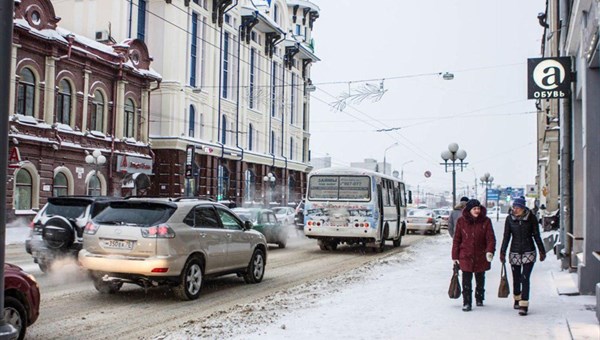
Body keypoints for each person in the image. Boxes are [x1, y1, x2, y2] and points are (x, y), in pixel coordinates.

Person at [500, 197, 546, 316]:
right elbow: (506, 237)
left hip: (528, 251)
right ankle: (517, 298)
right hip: (514, 252)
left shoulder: (531, 218)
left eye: (518, 208)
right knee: (516, 278)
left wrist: (542, 250)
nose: (515, 209)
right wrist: (502, 251)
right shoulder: (509, 219)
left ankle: (524, 304)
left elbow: (536, 235)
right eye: (514, 207)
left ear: (523, 208)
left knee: (525, 278)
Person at [451, 199, 496, 312]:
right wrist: (455, 256)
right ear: (469, 210)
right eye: (474, 209)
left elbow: (491, 239)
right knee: (466, 279)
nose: (477, 211)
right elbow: (457, 240)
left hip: (481, 255)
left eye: (478, 208)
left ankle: (479, 297)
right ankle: (467, 302)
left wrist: (489, 251)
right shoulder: (462, 221)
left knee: (480, 277)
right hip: (465, 254)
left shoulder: (486, 221)